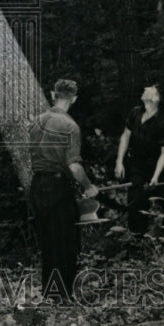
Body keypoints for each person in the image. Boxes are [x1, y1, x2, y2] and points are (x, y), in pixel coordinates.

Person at [28, 79, 98, 303]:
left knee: (48, 244)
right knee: (66, 244)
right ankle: (63, 298)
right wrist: (88, 187)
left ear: (52, 94)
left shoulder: (36, 122)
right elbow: (74, 166)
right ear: (74, 99)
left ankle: (51, 295)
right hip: (57, 188)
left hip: (37, 187)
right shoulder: (70, 126)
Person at [114, 82, 164, 235]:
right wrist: (119, 161)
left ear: (156, 98)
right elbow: (125, 136)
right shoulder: (135, 112)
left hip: (159, 167)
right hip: (137, 165)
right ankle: (137, 238)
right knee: (135, 202)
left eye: (150, 90)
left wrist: (156, 176)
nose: (144, 89)